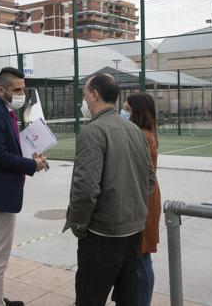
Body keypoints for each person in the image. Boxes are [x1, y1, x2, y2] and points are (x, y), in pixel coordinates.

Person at [63, 73, 156, 306]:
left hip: (102, 235)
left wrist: (79, 225)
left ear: (94, 95)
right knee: (128, 297)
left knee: (90, 297)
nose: (83, 102)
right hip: (133, 231)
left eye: (84, 95)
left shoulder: (92, 132)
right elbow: (150, 181)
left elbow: (84, 190)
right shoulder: (136, 131)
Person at [0, 67, 47, 306]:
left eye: (23, 89)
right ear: (0, 90)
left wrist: (31, 157)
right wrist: (31, 166)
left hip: (2, 193)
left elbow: (8, 148)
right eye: (16, 89)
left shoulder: (5, 112)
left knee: (0, 254)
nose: (21, 93)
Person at [123, 92, 162, 306]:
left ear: (136, 112)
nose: (124, 113)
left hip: (145, 199)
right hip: (146, 196)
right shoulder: (146, 133)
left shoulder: (142, 136)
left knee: (142, 256)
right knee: (140, 256)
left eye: (127, 109)